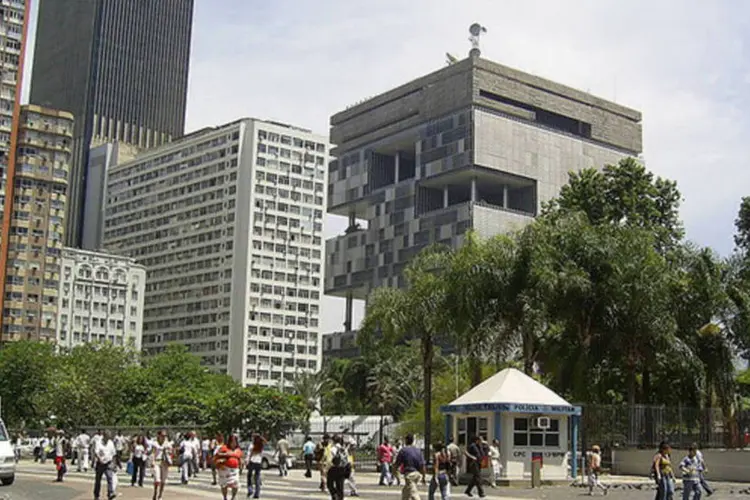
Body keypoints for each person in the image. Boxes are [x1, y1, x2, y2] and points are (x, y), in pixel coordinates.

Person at [395, 434, 427, 500]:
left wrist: (394, 472)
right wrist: (423, 476)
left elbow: (397, 464)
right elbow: (422, 465)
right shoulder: (418, 451)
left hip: (409, 475)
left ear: (406, 440)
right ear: (413, 440)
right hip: (417, 474)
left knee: (414, 493)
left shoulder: (403, 450)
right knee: (406, 492)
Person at [215, 433, 243, 500]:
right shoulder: (224, 448)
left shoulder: (238, 450)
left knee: (235, 484)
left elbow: (240, 458)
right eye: (232, 441)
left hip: (234, 470)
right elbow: (217, 454)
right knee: (224, 485)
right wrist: (224, 457)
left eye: (235, 441)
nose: (233, 443)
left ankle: (233, 497)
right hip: (225, 470)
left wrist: (241, 467)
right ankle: (225, 498)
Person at [150, 430, 173, 500]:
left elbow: (171, 453)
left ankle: (160, 495)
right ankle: (155, 492)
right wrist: (152, 461)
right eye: (162, 436)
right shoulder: (155, 443)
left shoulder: (167, 444)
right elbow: (153, 453)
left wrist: (169, 453)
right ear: (158, 436)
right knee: (157, 479)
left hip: (164, 462)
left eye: (165, 436)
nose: (163, 437)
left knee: (163, 481)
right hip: (157, 461)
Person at [93, 431, 117, 500]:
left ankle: (110, 493)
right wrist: (99, 459)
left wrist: (114, 464)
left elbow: (114, 454)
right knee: (98, 480)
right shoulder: (98, 442)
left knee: (110, 478)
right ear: (104, 436)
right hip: (100, 463)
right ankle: (96, 495)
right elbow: (96, 452)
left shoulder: (111, 443)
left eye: (109, 437)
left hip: (108, 463)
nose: (108, 438)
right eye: (107, 436)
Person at [327, 435, 349, 500]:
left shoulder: (333, 448)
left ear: (333, 441)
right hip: (342, 468)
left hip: (334, 468)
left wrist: (327, 468)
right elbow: (346, 458)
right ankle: (340, 497)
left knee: (329, 484)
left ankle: (334, 495)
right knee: (340, 485)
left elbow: (330, 460)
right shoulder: (344, 449)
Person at [247, 433, 266, 498]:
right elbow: (265, 441)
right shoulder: (261, 445)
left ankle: (250, 490)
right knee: (257, 477)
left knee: (249, 476)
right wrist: (260, 437)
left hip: (252, 461)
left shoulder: (252, 445)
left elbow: (249, 454)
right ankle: (257, 493)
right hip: (258, 462)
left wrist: (247, 461)